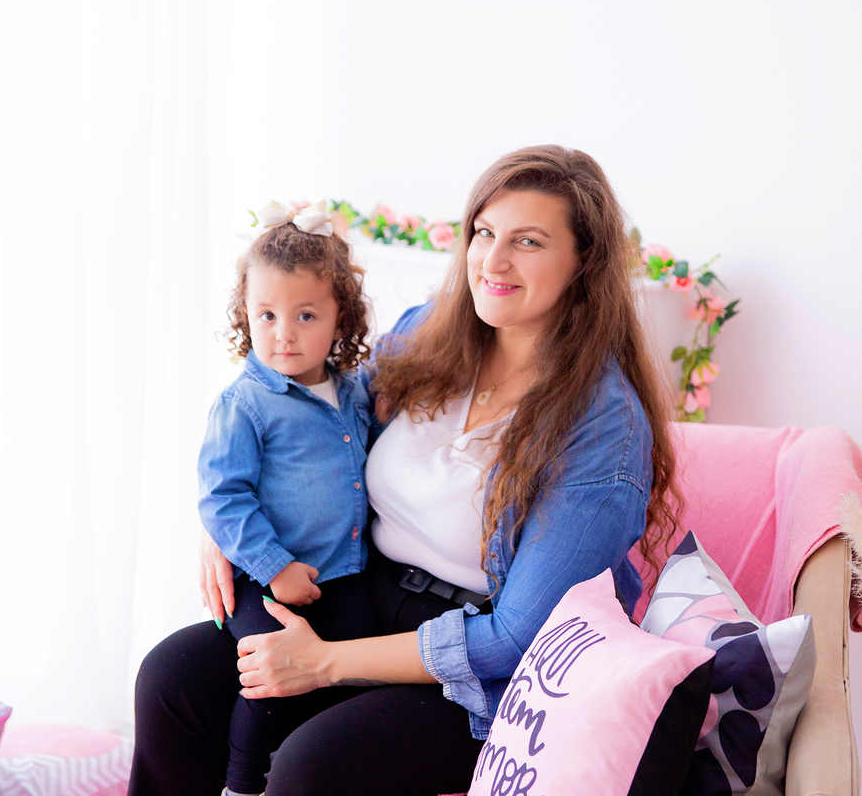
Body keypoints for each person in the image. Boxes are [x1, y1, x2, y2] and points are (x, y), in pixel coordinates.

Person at [129, 146, 681, 796]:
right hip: (358, 594)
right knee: (171, 680)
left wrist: (326, 663)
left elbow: (517, 636)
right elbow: (311, 431)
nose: (493, 262)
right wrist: (222, 525)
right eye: (483, 233)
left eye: (527, 242)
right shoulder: (429, 334)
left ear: (583, 260)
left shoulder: (600, 428)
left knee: (311, 766)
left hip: (475, 669)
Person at [196, 202, 375, 796]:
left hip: (343, 575)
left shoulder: (352, 393)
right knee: (268, 678)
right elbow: (223, 498)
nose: (284, 333)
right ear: (245, 315)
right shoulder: (245, 404)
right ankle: (242, 784)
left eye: (305, 315)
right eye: (266, 315)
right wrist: (276, 569)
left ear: (339, 319)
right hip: (265, 577)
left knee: (348, 684)